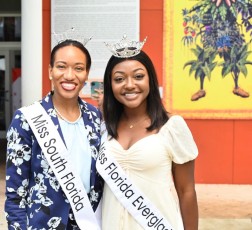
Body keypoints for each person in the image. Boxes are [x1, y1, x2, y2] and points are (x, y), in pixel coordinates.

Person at [98, 37, 199, 230]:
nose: (129, 85)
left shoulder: (171, 127)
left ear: (150, 80)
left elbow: (187, 191)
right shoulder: (104, 129)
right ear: (110, 85)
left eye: (138, 76)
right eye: (119, 79)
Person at [5, 38, 103, 229]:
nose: (69, 75)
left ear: (86, 74)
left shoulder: (95, 118)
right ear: (50, 71)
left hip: (88, 224)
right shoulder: (27, 119)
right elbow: (15, 193)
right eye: (61, 66)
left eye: (78, 68)